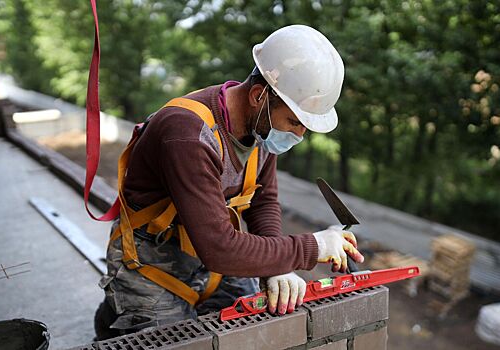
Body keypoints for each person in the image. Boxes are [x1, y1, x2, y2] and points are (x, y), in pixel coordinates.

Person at [94, 24, 364, 340]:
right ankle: (115, 311)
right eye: (294, 121)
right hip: (151, 267)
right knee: (177, 345)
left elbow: (262, 201)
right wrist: (312, 246)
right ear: (258, 96)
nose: (298, 134)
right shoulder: (188, 135)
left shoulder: (260, 128)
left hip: (204, 259)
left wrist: (274, 267)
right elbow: (220, 250)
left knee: (258, 328)